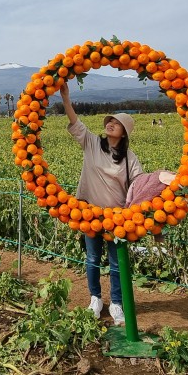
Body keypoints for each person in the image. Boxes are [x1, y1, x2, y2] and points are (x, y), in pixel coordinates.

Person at [59, 82, 143, 326]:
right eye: (109, 120)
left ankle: (116, 303)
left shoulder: (130, 158)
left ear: (124, 132)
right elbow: (75, 123)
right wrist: (66, 98)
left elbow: (138, 185)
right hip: (90, 212)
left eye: (115, 123)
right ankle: (95, 299)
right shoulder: (92, 143)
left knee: (117, 263)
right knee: (92, 258)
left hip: (117, 217)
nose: (110, 123)